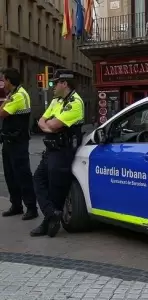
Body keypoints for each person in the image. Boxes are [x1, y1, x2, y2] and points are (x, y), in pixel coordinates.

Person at [31, 69, 84, 238]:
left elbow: (52, 125)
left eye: (55, 83)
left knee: (56, 189)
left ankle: (49, 221)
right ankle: (51, 214)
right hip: (51, 150)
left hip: (63, 152)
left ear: (64, 83)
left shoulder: (75, 103)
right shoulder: (56, 101)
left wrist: (48, 126)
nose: (52, 86)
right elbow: (41, 121)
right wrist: (48, 126)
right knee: (38, 179)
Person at [0, 68, 38, 220]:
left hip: (18, 142)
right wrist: (5, 102)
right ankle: (16, 205)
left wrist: (4, 104)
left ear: (9, 80)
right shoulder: (12, 94)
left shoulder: (20, 95)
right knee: (10, 175)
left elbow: (2, 113)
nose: (2, 83)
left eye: (4, 80)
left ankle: (31, 207)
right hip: (9, 140)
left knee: (22, 175)